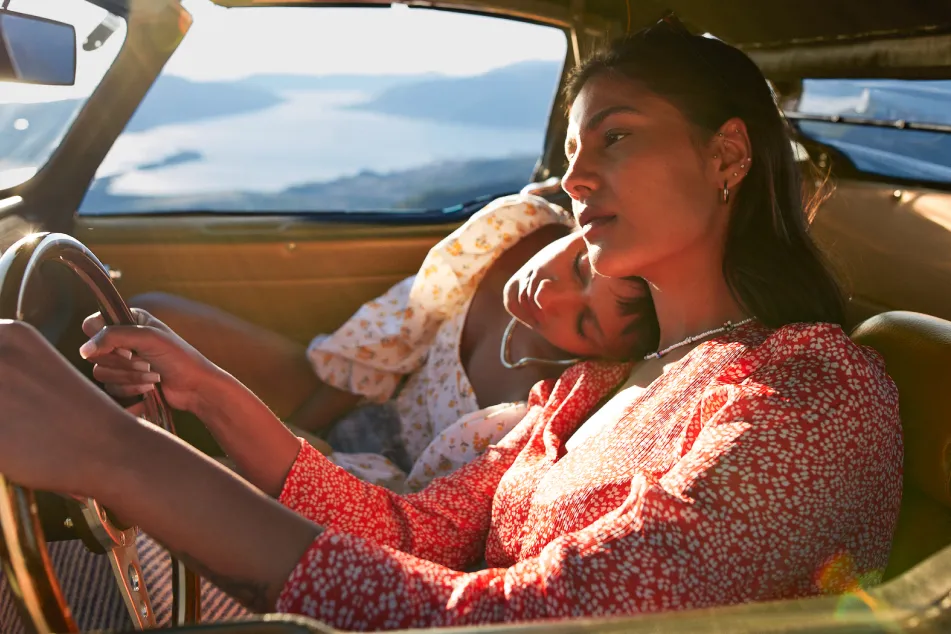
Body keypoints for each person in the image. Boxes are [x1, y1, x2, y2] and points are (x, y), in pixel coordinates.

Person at [0, 15, 902, 633]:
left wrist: (117, 456)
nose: (577, 179)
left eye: (616, 137)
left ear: (727, 156)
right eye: (574, 151)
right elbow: (409, 537)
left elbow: (527, 624)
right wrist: (212, 395)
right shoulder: (586, 388)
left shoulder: (811, 395)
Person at [131, 193, 660, 492]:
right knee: (153, 316)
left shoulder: (552, 401)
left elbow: (424, 507)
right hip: (353, 396)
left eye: (585, 323)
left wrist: (308, 452)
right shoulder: (518, 232)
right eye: (578, 265)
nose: (553, 296)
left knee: (196, 487)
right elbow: (389, 345)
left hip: (386, 484)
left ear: (602, 353)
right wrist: (305, 422)